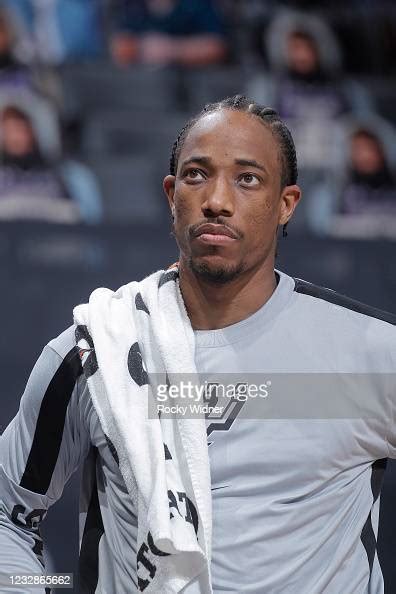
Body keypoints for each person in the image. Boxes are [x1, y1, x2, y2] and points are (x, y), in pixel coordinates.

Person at [1, 95, 396, 593]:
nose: (217, 200)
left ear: (286, 205)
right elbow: (6, 513)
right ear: (171, 194)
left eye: (248, 178)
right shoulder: (98, 349)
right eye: (196, 175)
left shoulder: (373, 354)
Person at [0, 105, 102, 224]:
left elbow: (85, 216)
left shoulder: (68, 175)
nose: (15, 138)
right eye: (9, 131)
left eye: (20, 130)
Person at [110, 0, 227, 67]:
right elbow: (119, 48)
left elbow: (216, 47)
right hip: (146, 91)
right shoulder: (135, 5)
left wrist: (172, 49)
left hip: (192, 91)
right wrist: (141, 47)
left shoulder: (196, 4)